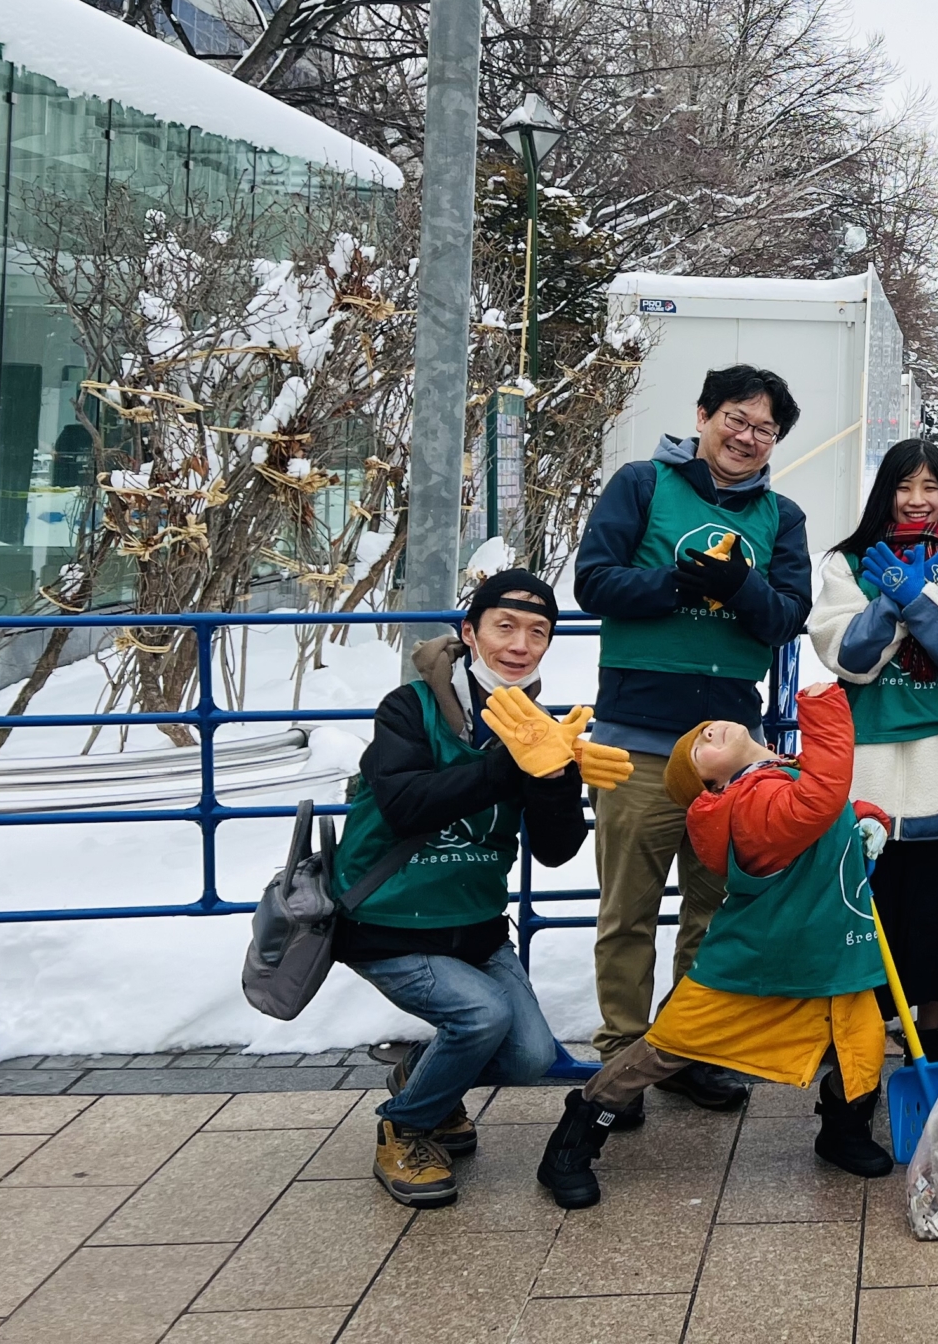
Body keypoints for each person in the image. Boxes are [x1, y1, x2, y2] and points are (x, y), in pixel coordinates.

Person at [535, 683, 899, 1206]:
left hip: (832, 951)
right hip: (754, 961)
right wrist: (822, 708)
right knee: (665, 1048)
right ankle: (572, 1143)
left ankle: (844, 1132)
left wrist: (868, 819)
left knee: (860, 1044)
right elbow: (816, 803)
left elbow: (831, 807)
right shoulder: (744, 809)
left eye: (704, 732)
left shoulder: (781, 779)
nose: (708, 731)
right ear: (711, 780)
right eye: (699, 746)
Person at [332, 569, 630, 1206]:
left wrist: (556, 778)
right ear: (469, 633)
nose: (520, 644)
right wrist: (508, 765)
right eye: (504, 627)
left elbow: (554, 852)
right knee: (482, 1016)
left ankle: (425, 1080)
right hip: (387, 924)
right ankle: (405, 1127)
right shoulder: (407, 708)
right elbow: (406, 804)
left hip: (473, 928)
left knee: (528, 1058)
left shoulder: (541, 731)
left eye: (538, 632)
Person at [572, 363, 813, 1114]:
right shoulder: (642, 485)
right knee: (628, 908)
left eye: (764, 427)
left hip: (729, 749)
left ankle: (690, 1049)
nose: (747, 436)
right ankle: (621, 1059)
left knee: (713, 908)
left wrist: (737, 583)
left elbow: (786, 615)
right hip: (636, 736)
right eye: (736, 418)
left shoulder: (784, 515)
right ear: (703, 414)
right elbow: (595, 581)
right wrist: (679, 581)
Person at [808, 438, 938, 1054]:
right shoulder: (847, 561)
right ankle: (861, 1029)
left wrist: (915, 599)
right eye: (904, 487)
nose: (917, 501)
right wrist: (897, 600)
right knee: (866, 897)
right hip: (867, 757)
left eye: (930, 486)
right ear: (885, 492)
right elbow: (847, 656)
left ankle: (928, 1023)